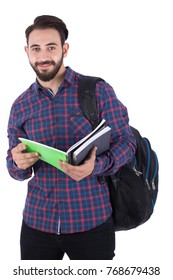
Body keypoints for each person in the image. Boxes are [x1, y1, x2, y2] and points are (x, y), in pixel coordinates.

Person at [6, 15, 136, 260]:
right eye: (36, 48)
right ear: (26, 51)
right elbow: (15, 170)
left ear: (64, 49)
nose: (43, 56)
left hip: (91, 221)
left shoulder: (97, 90)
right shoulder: (20, 106)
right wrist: (17, 163)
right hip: (37, 224)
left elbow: (127, 142)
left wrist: (96, 167)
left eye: (51, 47)